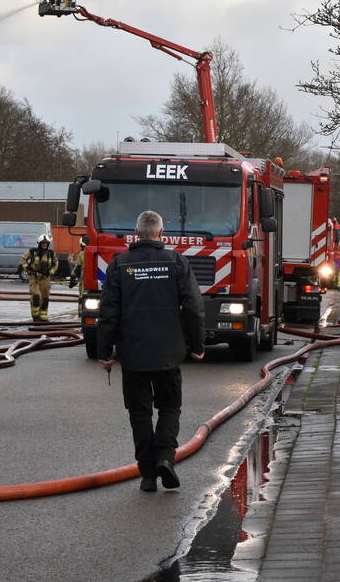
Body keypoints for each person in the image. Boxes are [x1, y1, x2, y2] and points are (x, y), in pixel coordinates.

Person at [97, 211, 205, 493]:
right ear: (161, 233)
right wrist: (197, 345)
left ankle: (147, 475)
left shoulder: (120, 265)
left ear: (136, 233)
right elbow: (193, 307)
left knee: (139, 413)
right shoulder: (176, 262)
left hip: (133, 354)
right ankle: (165, 458)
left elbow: (108, 312)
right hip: (169, 352)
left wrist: (105, 351)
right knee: (170, 407)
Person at [22, 234, 59, 322]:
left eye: (46, 243)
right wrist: (27, 268)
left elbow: (56, 264)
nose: (44, 245)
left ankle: (43, 315)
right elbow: (24, 259)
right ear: (39, 244)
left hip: (45, 278)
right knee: (36, 295)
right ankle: (35, 315)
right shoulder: (33, 252)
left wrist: (50, 272)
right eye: (43, 243)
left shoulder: (51, 253)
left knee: (45, 297)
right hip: (34, 277)